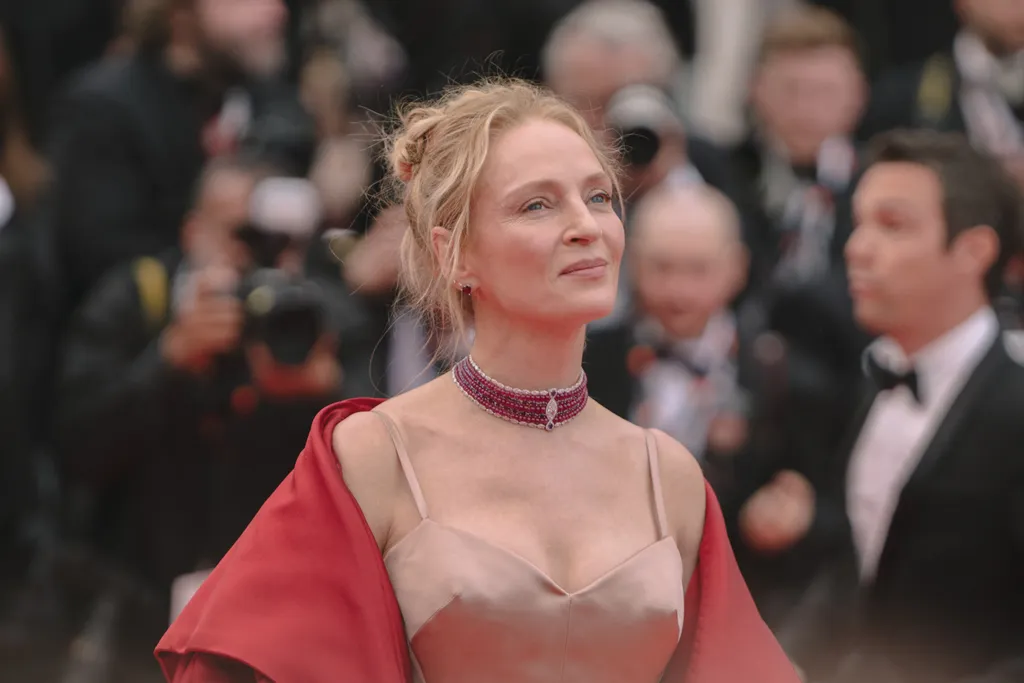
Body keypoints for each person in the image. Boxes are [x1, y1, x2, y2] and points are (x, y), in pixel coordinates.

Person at [154, 79, 799, 683]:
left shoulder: (671, 477)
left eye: (599, 196)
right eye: (537, 204)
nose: (586, 226)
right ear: (454, 253)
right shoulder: (376, 455)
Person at [739, 130, 1024, 682]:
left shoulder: (1016, 408)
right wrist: (784, 663)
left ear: (974, 251)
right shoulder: (877, 377)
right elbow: (854, 570)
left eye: (892, 225)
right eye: (860, 221)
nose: (856, 247)